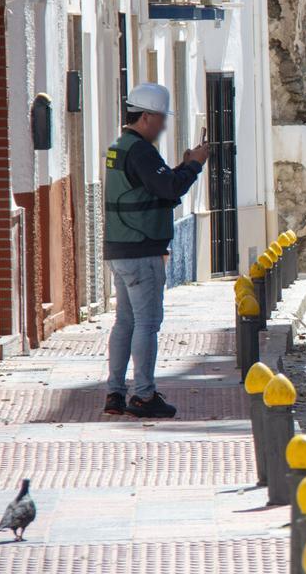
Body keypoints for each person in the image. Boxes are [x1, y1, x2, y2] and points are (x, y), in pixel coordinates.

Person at [103, 83, 209, 418]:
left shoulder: (119, 147)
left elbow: (155, 187)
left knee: (125, 324)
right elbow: (170, 187)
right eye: (161, 119)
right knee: (147, 323)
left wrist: (180, 166)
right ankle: (144, 396)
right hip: (141, 251)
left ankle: (115, 394)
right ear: (146, 116)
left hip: (119, 250)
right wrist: (195, 165)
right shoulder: (141, 151)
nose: (163, 126)